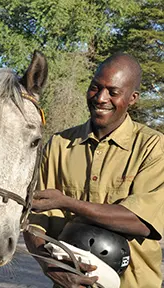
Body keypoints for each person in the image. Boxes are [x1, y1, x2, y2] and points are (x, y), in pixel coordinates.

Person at [24, 52, 164, 288]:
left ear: (133, 98)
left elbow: (140, 221)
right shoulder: (59, 145)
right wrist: (49, 265)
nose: (100, 98)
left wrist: (66, 202)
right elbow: (33, 220)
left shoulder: (153, 147)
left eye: (113, 92)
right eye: (95, 87)